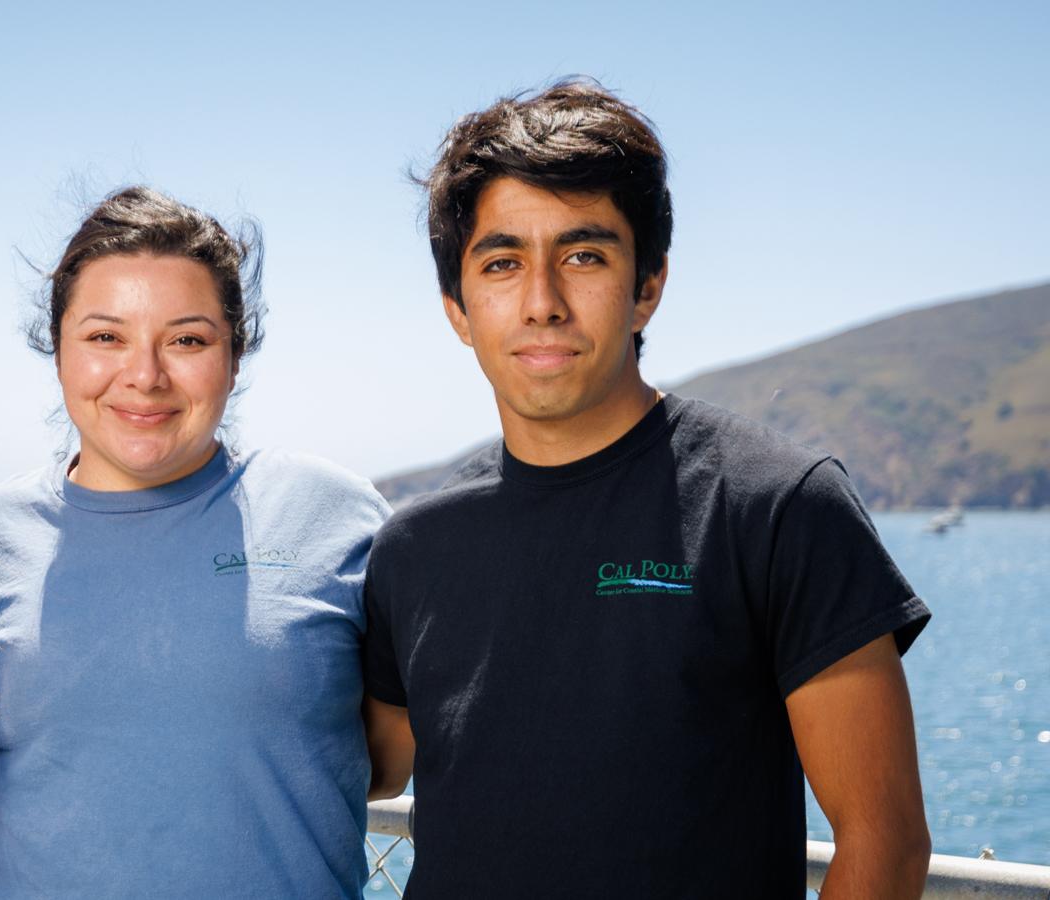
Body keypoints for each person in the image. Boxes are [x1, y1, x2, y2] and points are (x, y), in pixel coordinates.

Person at [362, 80, 933, 899]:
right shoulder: (413, 546)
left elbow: (885, 842)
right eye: (501, 263)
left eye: (584, 256)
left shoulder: (777, 506)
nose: (542, 303)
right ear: (458, 306)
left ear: (649, 284)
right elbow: (367, 765)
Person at [0, 186, 392, 899]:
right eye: (105, 337)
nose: (145, 375)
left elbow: (388, 757)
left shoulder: (337, 514)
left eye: (187, 340)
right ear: (56, 348)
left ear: (236, 354)